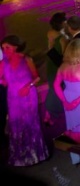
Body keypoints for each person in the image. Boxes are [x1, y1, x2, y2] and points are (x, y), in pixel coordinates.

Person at [1, 36, 50, 166]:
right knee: (16, 124)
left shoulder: (26, 59)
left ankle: (35, 155)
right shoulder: (3, 63)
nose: (5, 50)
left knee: (30, 122)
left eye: (7, 47)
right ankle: (19, 157)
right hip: (13, 97)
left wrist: (28, 86)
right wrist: (4, 81)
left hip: (28, 95)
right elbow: (2, 80)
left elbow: (37, 77)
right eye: (3, 48)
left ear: (15, 47)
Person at [43, 13, 67, 123]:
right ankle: (52, 110)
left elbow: (50, 49)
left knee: (52, 87)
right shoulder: (63, 38)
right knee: (58, 88)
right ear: (61, 23)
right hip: (58, 65)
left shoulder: (50, 33)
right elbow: (64, 56)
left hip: (51, 63)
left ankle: (48, 113)